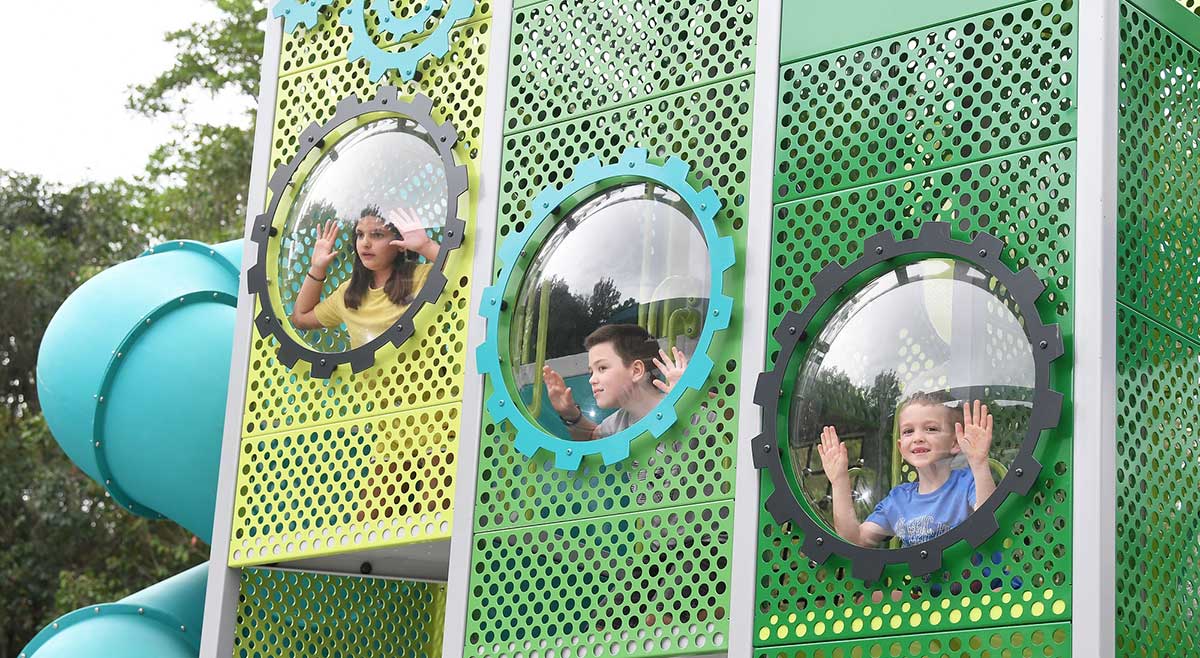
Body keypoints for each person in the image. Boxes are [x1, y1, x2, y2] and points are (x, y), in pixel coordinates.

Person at [816, 391, 996, 548]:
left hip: (976, 585)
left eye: (931, 429)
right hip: (922, 588)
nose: (918, 437)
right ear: (901, 448)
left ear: (955, 442)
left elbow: (989, 519)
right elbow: (855, 539)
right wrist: (839, 481)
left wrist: (979, 463)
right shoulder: (898, 499)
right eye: (909, 431)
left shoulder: (968, 483)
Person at [290, 206, 440, 349]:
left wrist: (426, 246)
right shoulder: (347, 293)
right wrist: (317, 268)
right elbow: (300, 318)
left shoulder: (422, 277)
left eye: (377, 235)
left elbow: (461, 272)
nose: (365, 243)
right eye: (360, 234)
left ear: (401, 244)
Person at [542, 324, 687, 441]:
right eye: (591, 372)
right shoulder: (617, 422)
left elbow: (707, 422)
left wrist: (687, 399)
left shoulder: (679, 405)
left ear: (636, 371)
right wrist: (570, 414)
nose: (592, 380)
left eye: (602, 368)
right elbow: (591, 436)